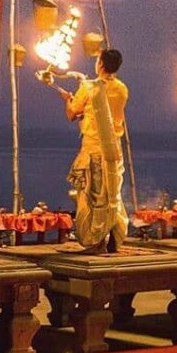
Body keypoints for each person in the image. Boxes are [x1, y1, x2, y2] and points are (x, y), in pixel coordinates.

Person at [56, 48, 129, 254]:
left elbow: (72, 114)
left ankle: (95, 242)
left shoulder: (89, 88)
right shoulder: (122, 88)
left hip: (95, 151)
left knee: (92, 197)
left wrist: (66, 99)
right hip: (114, 151)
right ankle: (114, 237)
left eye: (98, 60)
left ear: (101, 65)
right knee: (112, 195)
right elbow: (105, 115)